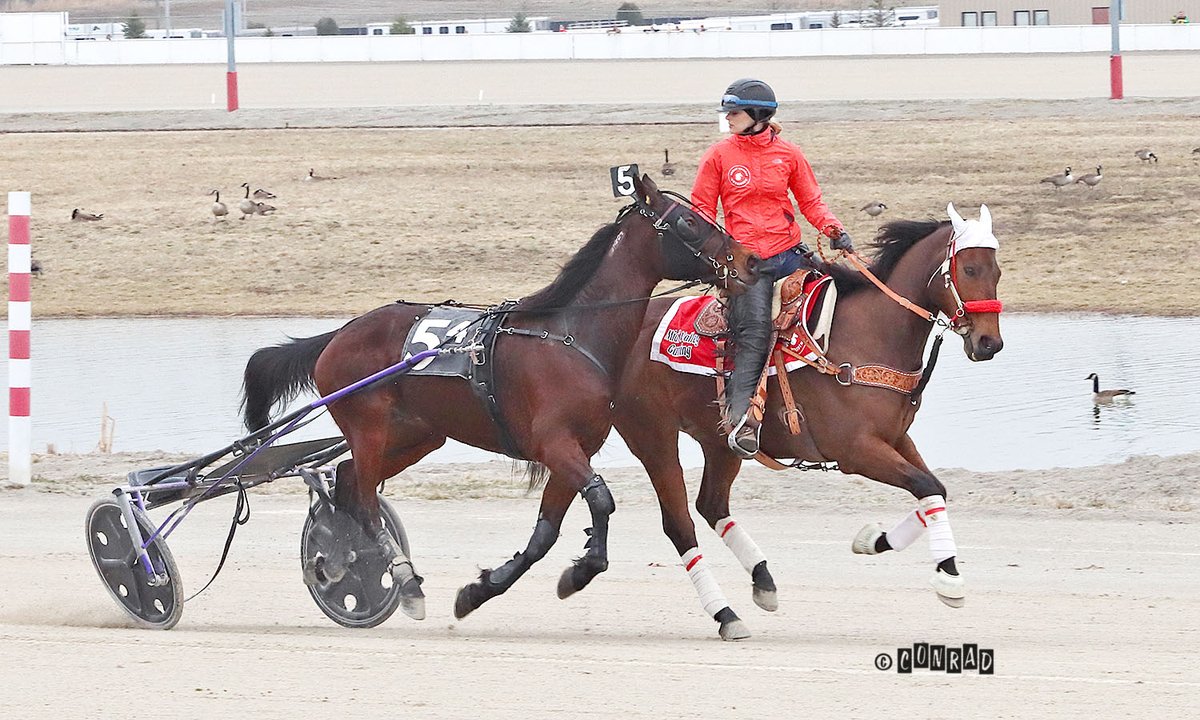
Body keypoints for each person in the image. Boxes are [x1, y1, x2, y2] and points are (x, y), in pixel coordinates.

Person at [691, 78, 852, 458]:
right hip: (747, 266)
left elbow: (811, 201)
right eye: (728, 113)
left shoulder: (789, 155)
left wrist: (834, 229)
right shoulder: (718, 156)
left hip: (789, 253)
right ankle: (741, 419)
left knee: (843, 298)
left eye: (734, 112)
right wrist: (717, 255)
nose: (727, 119)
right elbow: (701, 211)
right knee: (755, 332)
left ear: (758, 116)